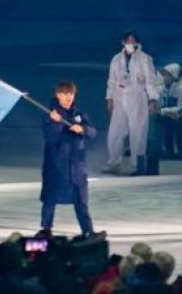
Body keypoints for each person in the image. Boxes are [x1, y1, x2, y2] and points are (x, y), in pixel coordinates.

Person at [39, 80, 104, 239]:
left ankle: (87, 230)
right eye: (65, 94)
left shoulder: (79, 114)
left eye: (71, 94)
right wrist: (56, 124)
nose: (69, 98)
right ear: (58, 95)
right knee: (50, 198)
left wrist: (82, 128)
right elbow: (51, 139)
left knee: (80, 200)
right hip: (56, 164)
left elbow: (93, 132)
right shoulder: (50, 114)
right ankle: (46, 229)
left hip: (77, 165)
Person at [102, 29, 159, 175]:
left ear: (138, 43)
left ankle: (137, 164)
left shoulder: (145, 58)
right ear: (123, 42)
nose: (131, 44)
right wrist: (109, 97)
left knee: (138, 131)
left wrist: (153, 99)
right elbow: (112, 80)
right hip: (120, 96)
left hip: (138, 96)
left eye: (134, 41)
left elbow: (151, 80)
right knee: (115, 130)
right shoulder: (116, 59)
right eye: (129, 41)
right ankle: (113, 162)